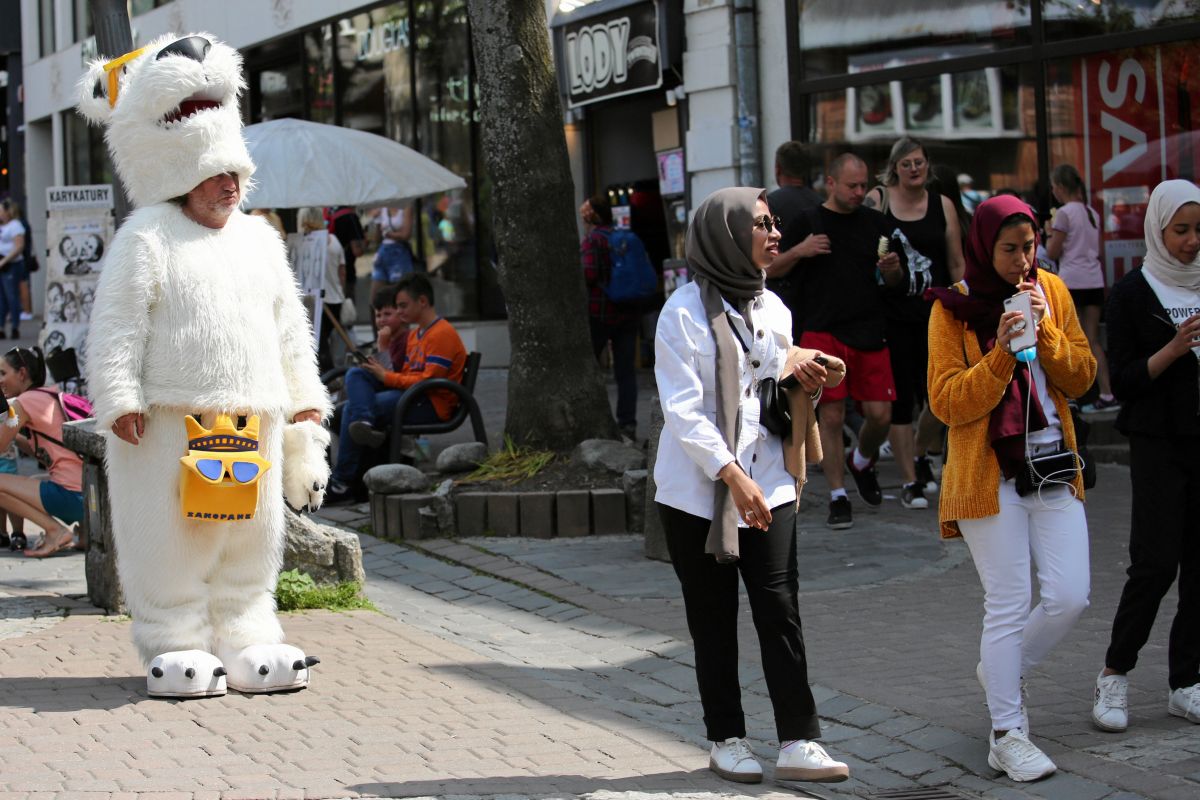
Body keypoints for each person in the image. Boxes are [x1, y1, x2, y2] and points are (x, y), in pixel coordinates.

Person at [79, 32, 331, 697]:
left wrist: (304, 397)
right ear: (181, 174)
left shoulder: (259, 239)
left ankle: (248, 637)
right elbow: (116, 328)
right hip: (169, 418)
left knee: (249, 539)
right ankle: (174, 643)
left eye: (236, 175)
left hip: (253, 415)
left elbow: (289, 326)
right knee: (170, 538)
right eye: (215, 174)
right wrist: (120, 398)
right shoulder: (145, 237)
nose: (229, 185)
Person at [654, 186, 849, 786]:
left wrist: (807, 377)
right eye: (761, 224)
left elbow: (771, 390)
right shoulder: (682, 312)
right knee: (712, 618)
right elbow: (684, 412)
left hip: (770, 478)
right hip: (698, 489)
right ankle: (727, 737)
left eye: (773, 224)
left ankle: (799, 739)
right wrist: (730, 476)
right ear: (728, 235)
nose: (774, 234)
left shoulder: (775, 309)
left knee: (779, 608)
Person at [927, 195, 1096, 782]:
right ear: (982, 246)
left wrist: (1045, 330)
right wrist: (1000, 352)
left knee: (1071, 595)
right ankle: (1007, 733)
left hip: (1052, 462)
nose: (1023, 260)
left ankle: (1000, 670)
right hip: (985, 474)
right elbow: (947, 404)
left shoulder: (1053, 290)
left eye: (1030, 247)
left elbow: (1081, 378)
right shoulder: (951, 309)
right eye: (1009, 249)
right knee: (1007, 602)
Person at [1090, 180, 1200, 732]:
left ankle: (1187, 681)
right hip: (1158, 442)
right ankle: (1114, 675)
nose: (1190, 241)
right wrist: (1175, 349)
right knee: (1155, 566)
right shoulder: (1133, 292)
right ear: (1158, 230)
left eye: (1198, 230)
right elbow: (1126, 381)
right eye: (1181, 230)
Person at [768, 153, 905, 529]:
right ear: (830, 183)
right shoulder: (808, 222)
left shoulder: (877, 223)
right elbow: (769, 268)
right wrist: (800, 250)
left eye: (863, 185)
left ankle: (860, 459)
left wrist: (892, 272)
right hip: (821, 329)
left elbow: (895, 281)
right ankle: (837, 495)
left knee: (880, 416)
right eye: (852, 186)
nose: (860, 192)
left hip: (868, 327)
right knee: (830, 415)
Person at [866, 137, 966, 509]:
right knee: (902, 398)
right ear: (895, 167)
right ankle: (909, 479)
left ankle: (923, 452)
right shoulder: (879, 201)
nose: (913, 168)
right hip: (892, 314)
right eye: (906, 163)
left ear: (928, 165)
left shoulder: (942, 205)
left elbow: (955, 260)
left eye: (919, 162)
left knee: (940, 394)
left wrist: (963, 299)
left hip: (937, 313)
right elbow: (869, 253)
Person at [326, 272, 467, 504]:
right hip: (412, 395)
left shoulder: (442, 333)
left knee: (350, 409)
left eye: (403, 305)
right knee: (356, 373)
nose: (400, 311)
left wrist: (387, 377)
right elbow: (410, 375)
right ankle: (364, 426)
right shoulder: (417, 334)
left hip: (430, 402)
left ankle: (342, 483)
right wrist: (384, 374)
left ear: (422, 302)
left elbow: (425, 380)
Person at [0, 347, 85, 558]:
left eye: (3, 373)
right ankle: (84, 533)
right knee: (36, 477)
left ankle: (55, 531)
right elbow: (46, 450)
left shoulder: (23, 403)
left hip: (72, 497)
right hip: (87, 492)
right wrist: (17, 439)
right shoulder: (49, 393)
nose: (0, 381)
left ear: (21, 373)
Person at [1046, 164, 1118, 411]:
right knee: (1092, 339)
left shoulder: (1064, 214)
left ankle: (1071, 395)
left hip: (1072, 282)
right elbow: (1096, 249)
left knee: (1067, 338)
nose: (1053, 191)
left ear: (1062, 187)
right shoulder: (1091, 212)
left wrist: (1048, 233)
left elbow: (1053, 251)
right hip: (1094, 280)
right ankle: (1107, 394)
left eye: (1054, 187)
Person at [580, 193, 640, 439]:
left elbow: (589, 274)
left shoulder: (593, 240)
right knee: (626, 372)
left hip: (600, 312)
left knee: (590, 367)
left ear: (591, 216)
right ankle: (628, 423)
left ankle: (591, 422)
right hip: (628, 312)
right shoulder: (623, 237)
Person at [765, 141, 827, 343]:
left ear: (778, 169)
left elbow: (767, 267)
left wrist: (797, 251)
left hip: (781, 308)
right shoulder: (822, 204)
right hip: (818, 311)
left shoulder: (768, 205)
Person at [296, 207, 347, 372]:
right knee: (330, 343)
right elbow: (342, 273)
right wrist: (341, 291)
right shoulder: (334, 240)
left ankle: (328, 376)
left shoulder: (298, 243)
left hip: (311, 301)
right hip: (335, 298)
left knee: (318, 346)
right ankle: (333, 375)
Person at [371, 205, 415, 300]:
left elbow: (406, 234)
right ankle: (378, 314)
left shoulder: (405, 206)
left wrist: (388, 234)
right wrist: (376, 221)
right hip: (383, 251)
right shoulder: (382, 208)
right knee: (376, 298)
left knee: (399, 295)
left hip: (399, 252)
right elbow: (377, 238)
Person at [326, 206, 366, 305]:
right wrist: (365, 242)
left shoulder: (327, 213)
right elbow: (357, 251)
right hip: (345, 270)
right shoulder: (350, 216)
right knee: (346, 307)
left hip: (326, 272)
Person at [0, 199, 27, 339]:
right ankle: (1, 326)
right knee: (1, 298)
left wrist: (4, 261)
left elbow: (19, 247)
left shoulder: (15, 225)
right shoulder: (2, 226)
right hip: (2, 263)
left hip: (11, 264)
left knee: (12, 296)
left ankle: (15, 326)